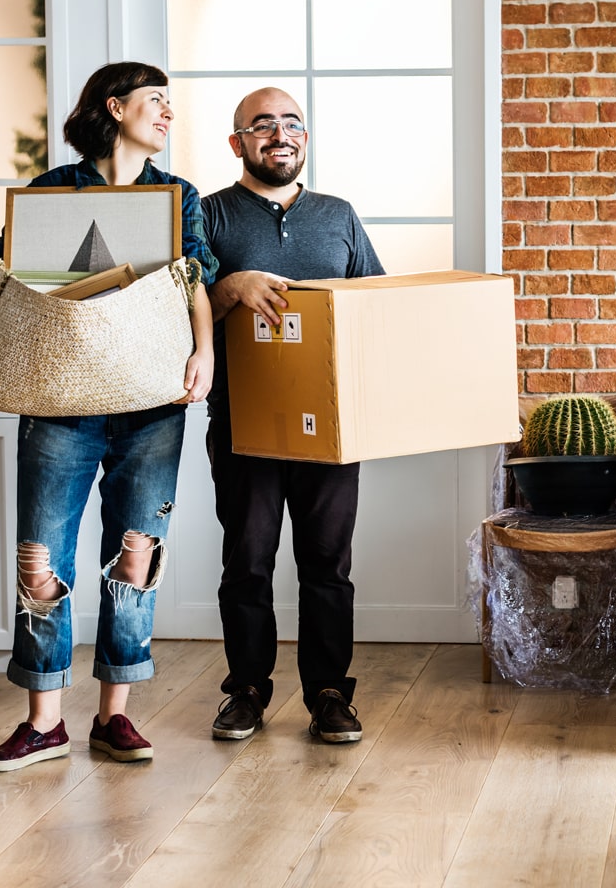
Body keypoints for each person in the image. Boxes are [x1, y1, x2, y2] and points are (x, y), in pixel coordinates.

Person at [0, 61, 217, 772]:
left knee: (136, 556)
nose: (167, 114)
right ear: (115, 105)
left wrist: (205, 356)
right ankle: (44, 722)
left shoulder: (177, 195)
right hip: (57, 397)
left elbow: (194, 280)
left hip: (152, 400)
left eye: (171, 104)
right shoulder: (51, 190)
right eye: (154, 101)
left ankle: (114, 717)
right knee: (41, 557)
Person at [202, 86, 384, 744]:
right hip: (244, 425)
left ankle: (330, 693)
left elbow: (375, 308)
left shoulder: (339, 216)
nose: (280, 135)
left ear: (304, 139)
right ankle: (246, 690)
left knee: (327, 564)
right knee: (247, 562)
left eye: (292, 125)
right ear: (238, 143)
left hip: (331, 427)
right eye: (262, 126)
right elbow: (179, 312)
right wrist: (231, 286)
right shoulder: (208, 216)